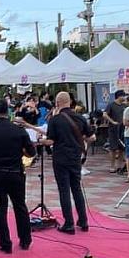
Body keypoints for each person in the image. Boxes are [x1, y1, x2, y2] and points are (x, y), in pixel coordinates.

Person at [0, 99, 36, 253]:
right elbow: (31, 152)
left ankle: (5, 243)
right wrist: (21, 151)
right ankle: (25, 240)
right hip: (16, 172)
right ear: (8, 112)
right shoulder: (18, 130)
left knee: (0, 208)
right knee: (20, 206)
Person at [42, 92, 93, 234]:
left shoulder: (55, 120)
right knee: (76, 188)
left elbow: (51, 141)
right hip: (75, 157)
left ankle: (69, 223)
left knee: (64, 190)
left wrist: (40, 141)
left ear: (57, 103)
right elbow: (92, 137)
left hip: (60, 158)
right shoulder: (81, 118)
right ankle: (83, 221)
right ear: (70, 102)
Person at [104, 90, 127, 173]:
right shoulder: (111, 105)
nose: (124, 98)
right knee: (113, 148)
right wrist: (112, 121)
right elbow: (105, 114)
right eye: (123, 96)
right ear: (119, 96)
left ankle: (120, 165)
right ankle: (112, 166)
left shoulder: (124, 105)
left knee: (121, 148)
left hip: (122, 129)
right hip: (113, 130)